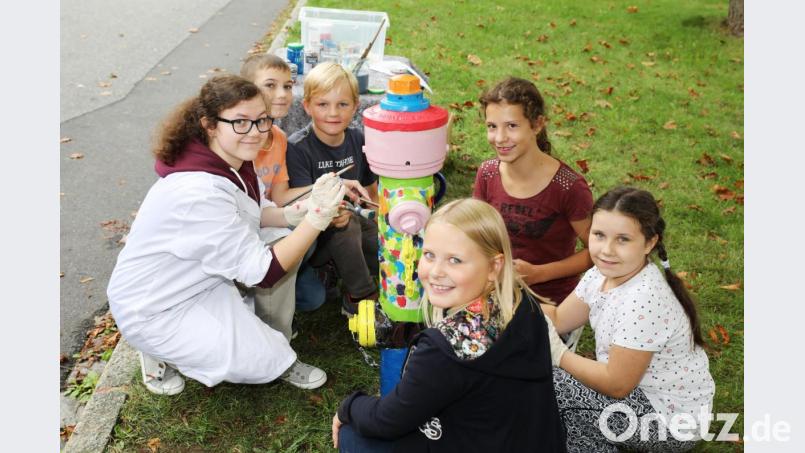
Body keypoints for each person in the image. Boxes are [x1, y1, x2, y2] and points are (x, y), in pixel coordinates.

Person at [107, 75, 348, 395]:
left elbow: (255, 212)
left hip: (198, 281)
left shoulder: (229, 160)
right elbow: (264, 271)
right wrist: (317, 218)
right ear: (209, 124)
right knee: (252, 358)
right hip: (154, 307)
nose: (255, 132)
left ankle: (272, 352)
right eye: (240, 122)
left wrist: (296, 211)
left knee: (265, 343)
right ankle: (155, 349)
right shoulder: (197, 191)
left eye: (261, 120)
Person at [332, 198, 566, 453]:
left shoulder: (445, 348)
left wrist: (349, 406)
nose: (436, 272)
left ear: (493, 267)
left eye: (455, 260)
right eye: (430, 255)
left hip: (479, 438)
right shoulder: (520, 300)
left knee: (352, 436)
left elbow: (387, 421)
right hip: (534, 439)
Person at [541, 187, 715, 452]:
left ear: (649, 243)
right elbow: (559, 318)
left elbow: (616, 384)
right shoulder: (600, 275)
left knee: (552, 383)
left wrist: (559, 354)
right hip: (639, 400)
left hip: (671, 424)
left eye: (623, 239)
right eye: (599, 235)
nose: (606, 250)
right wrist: (506, 302)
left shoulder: (643, 298)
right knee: (545, 377)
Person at [474, 77, 593, 305]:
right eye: (492, 126)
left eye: (512, 126)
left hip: (549, 301)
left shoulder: (568, 187)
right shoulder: (487, 174)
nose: (499, 138)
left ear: (537, 125)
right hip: (494, 290)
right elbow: (476, 234)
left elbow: (597, 251)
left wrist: (539, 273)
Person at [287, 61, 379, 315]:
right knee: (345, 225)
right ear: (306, 106)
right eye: (322, 104)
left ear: (356, 106)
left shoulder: (358, 139)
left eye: (342, 104)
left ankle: (349, 272)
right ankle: (359, 295)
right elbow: (298, 205)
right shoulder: (298, 147)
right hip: (316, 233)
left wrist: (384, 220)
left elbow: (371, 189)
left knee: (382, 240)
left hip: (356, 218)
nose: (333, 113)